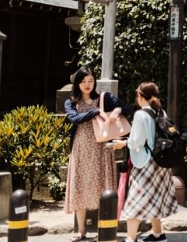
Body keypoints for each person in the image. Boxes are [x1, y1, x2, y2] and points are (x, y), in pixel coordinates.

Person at [64, 67, 132, 242]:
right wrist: (95, 112)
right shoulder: (71, 102)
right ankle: (81, 230)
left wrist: (116, 112)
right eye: (83, 81)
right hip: (80, 149)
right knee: (79, 186)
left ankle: (105, 228)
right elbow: (74, 119)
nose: (87, 85)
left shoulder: (104, 97)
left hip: (101, 148)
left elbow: (127, 108)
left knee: (104, 187)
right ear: (77, 83)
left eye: (91, 81)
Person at [113, 82, 179, 242]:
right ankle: (158, 234)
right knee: (155, 198)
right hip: (161, 162)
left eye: (137, 94)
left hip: (146, 163)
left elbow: (136, 141)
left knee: (135, 201)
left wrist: (123, 143)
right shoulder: (161, 111)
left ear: (141, 96)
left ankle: (130, 238)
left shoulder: (140, 115)